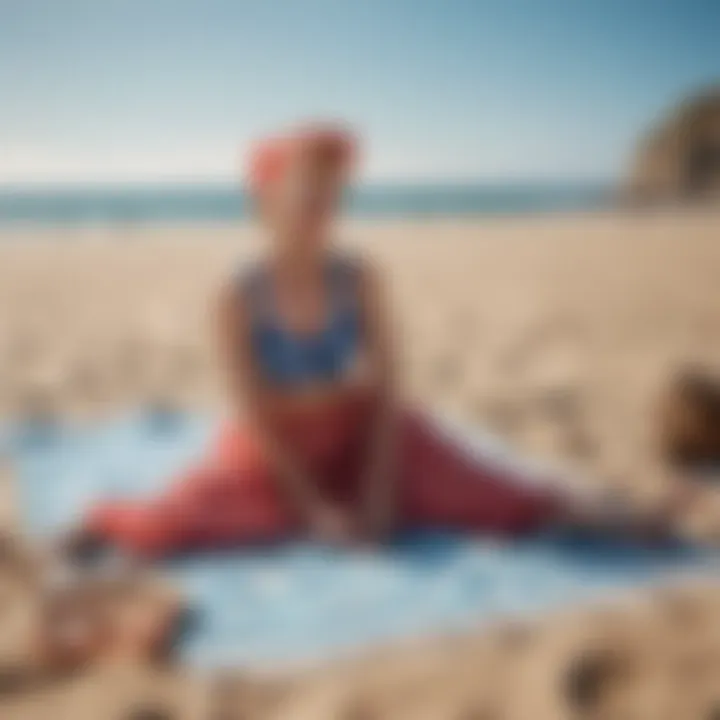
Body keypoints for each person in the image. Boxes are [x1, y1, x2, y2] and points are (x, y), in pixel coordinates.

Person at [63, 123, 694, 562]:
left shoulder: (362, 278)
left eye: (332, 191)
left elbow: (391, 392)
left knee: (497, 496)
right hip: (275, 455)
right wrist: (313, 512)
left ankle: (629, 518)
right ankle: (91, 527)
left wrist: (379, 492)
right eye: (306, 189)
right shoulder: (235, 296)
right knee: (183, 520)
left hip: (366, 437)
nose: (323, 204)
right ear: (269, 198)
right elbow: (254, 418)